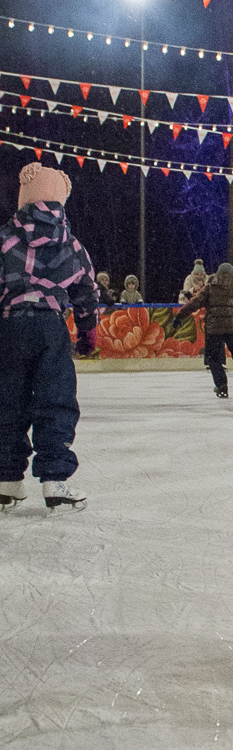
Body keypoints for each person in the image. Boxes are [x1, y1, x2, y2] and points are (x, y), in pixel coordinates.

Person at [0, 163, 97, 513]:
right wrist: (88, 332)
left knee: (7, 400)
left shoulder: (6, 238)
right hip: (50, 327)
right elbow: (86, 289)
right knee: (55, 399)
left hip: (9, 327)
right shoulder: (70, 243)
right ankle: (55, 479)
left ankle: (7, 479)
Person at [171, 262, 233, 399]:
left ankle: (222, 387)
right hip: (232, 330)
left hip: (214, 331)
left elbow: (193, 304)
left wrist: (180, 316)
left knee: (214, 360)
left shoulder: (209, 289)